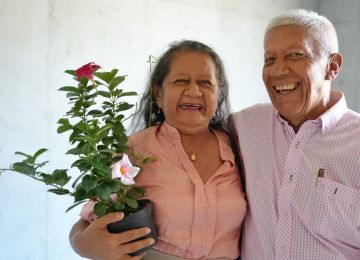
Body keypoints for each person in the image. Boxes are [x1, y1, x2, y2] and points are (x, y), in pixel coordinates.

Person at [70, 40, 246, 259]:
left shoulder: (239, 148)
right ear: (158, 93)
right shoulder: (132, 150)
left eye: (205, 82)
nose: (194, 90)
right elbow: (92, 216)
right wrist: (80, 244)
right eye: (181, 81)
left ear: (218, 93)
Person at [231, 9, 360, 259]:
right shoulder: (242, 127)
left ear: (332, 66)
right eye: (269, 59)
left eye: (296, 55)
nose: (278, 70)